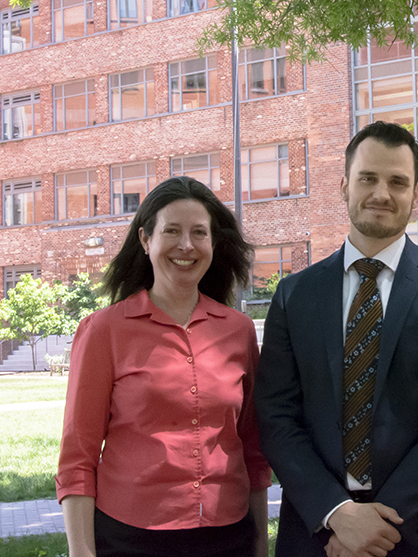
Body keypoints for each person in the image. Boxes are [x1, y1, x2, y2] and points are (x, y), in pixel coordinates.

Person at [255, 121, 418, 557]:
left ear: (416, 194)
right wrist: (338, 513)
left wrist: (377, 525)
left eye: (398, 181)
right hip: (321, 534)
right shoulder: (296, 294)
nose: (381, 193)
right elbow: (276, 415)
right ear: (345, 184)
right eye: (368, 178)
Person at [55, 176, 272, 557]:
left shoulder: (238, 331)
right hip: (130, 537)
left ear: (213, 244)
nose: (186, 245)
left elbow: (252, 448)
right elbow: (78, 458)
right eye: (172, 231)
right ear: (145, 240)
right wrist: (81, 552)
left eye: (199, 233)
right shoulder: (104, 331)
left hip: (228, 534)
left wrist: (258, 543)